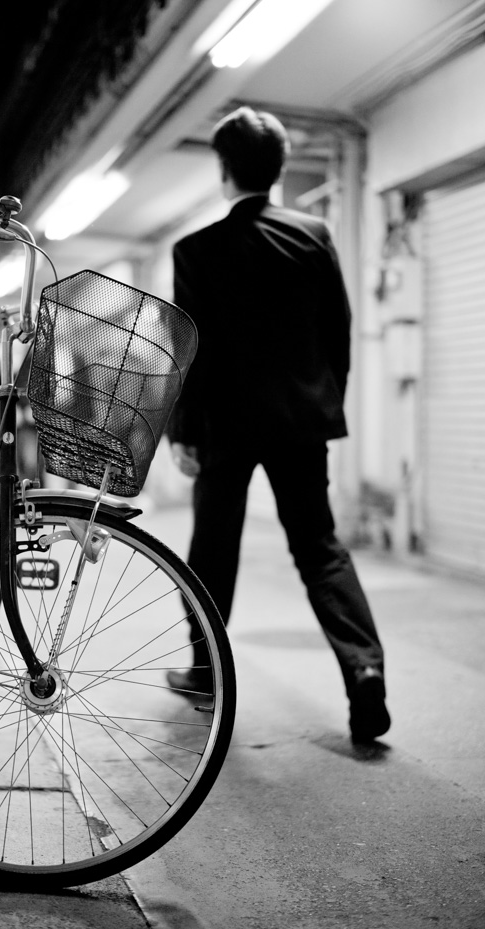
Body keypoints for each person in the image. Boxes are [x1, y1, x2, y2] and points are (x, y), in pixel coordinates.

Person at [166, 106, 390, 743]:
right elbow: (338, 334)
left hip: (226, 426)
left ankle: (205, 670)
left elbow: (191, 349)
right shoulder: (313, 234)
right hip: (299, 422)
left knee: (212, 551)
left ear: (224, 169)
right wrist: (323, 403)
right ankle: (365, 668)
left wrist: (183, 430)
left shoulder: (197, 250)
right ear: (280, 167)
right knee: (320, 551)